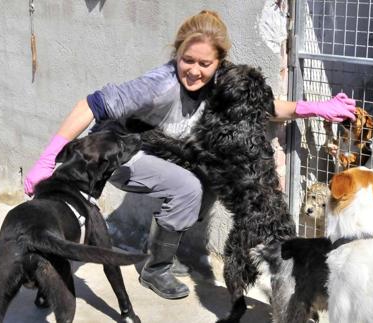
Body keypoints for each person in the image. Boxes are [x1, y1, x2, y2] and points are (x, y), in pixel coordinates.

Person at [23, 10, 356, 300]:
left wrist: (317, 108)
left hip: (160, 147)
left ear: (219, 63)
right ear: (177, 52)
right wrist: (48, 158)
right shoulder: (158, 85)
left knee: (210, 177)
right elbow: (91, 104)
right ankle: (156, 269)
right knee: (188, 187)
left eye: (204, 63)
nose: (194, 70)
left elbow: (262, 106)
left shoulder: (217, 80)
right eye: (187, 60)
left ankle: (167, 248)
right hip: (119, 151)